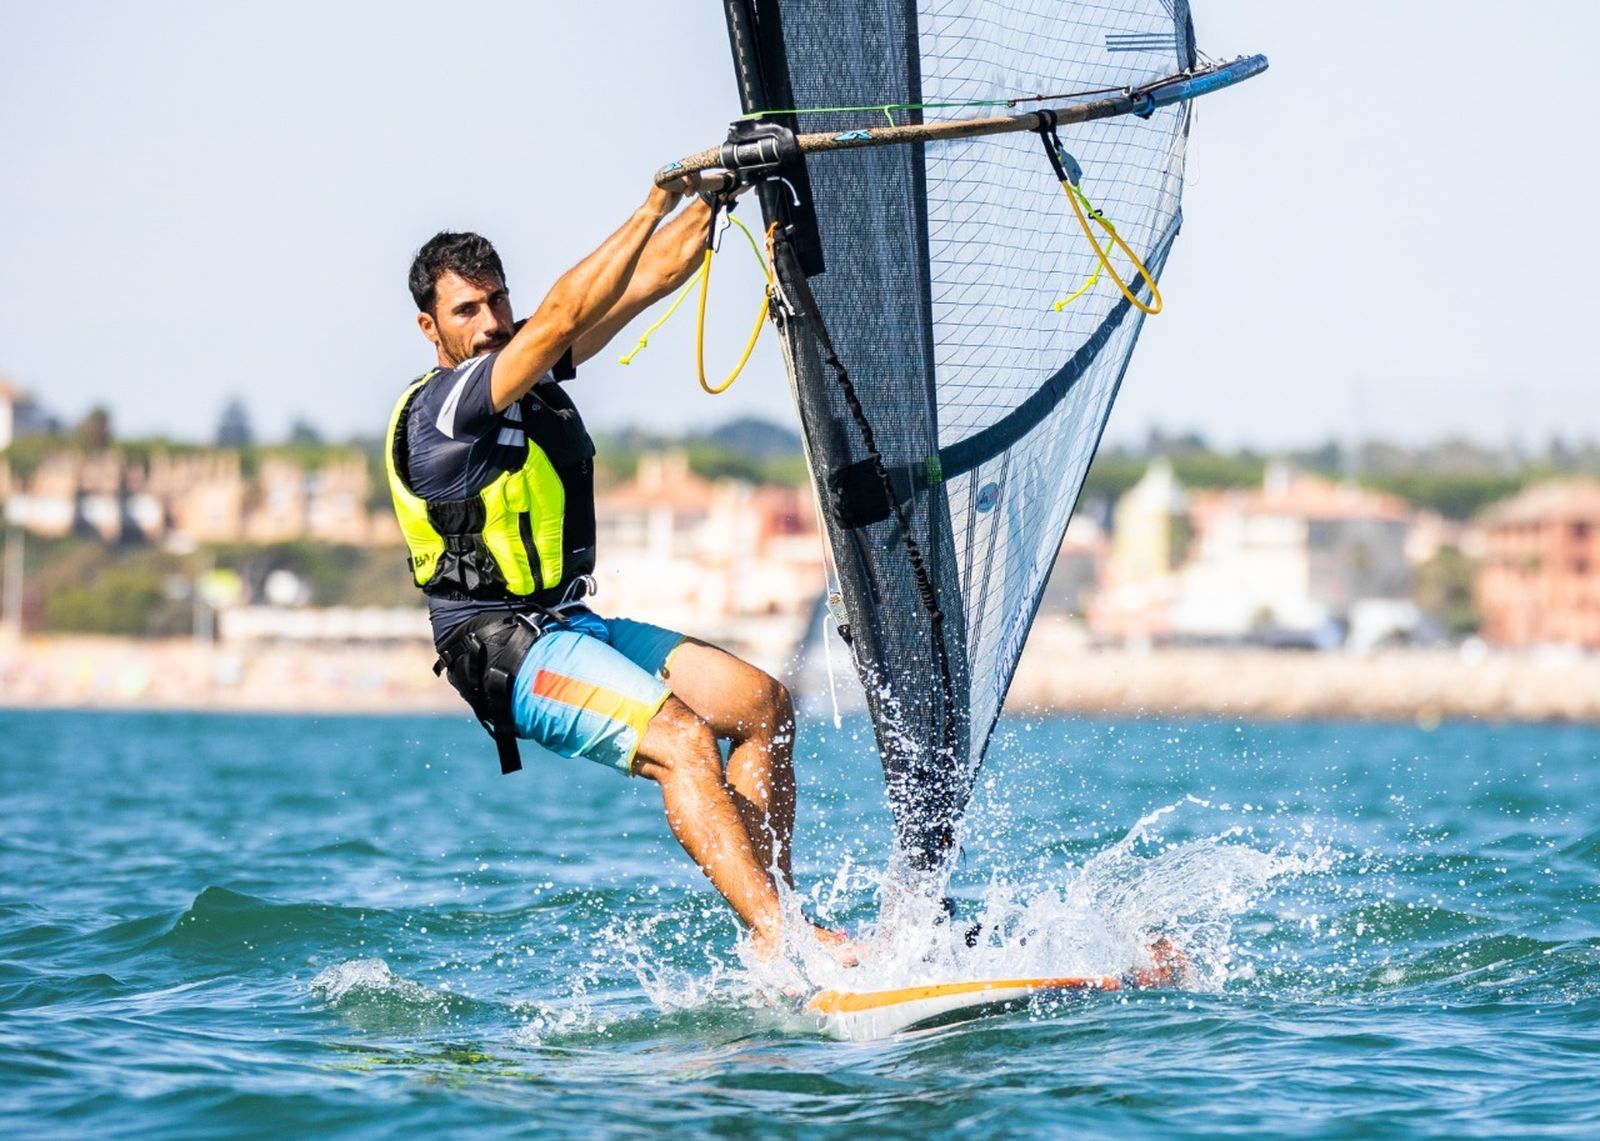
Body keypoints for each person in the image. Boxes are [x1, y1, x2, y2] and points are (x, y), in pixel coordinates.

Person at [387, 178, 849, 962]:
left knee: (761, 704)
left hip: (569, 621)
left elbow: (648, 281)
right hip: (501, 647)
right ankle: (787, 936)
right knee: (683, 739)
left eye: (499, 302)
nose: (494, 322)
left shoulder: (522, 371)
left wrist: (716, 196)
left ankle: (781, 934)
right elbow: (566, 312)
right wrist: (653, 200)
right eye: (469, 310)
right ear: (430, 326)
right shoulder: (446, 408)